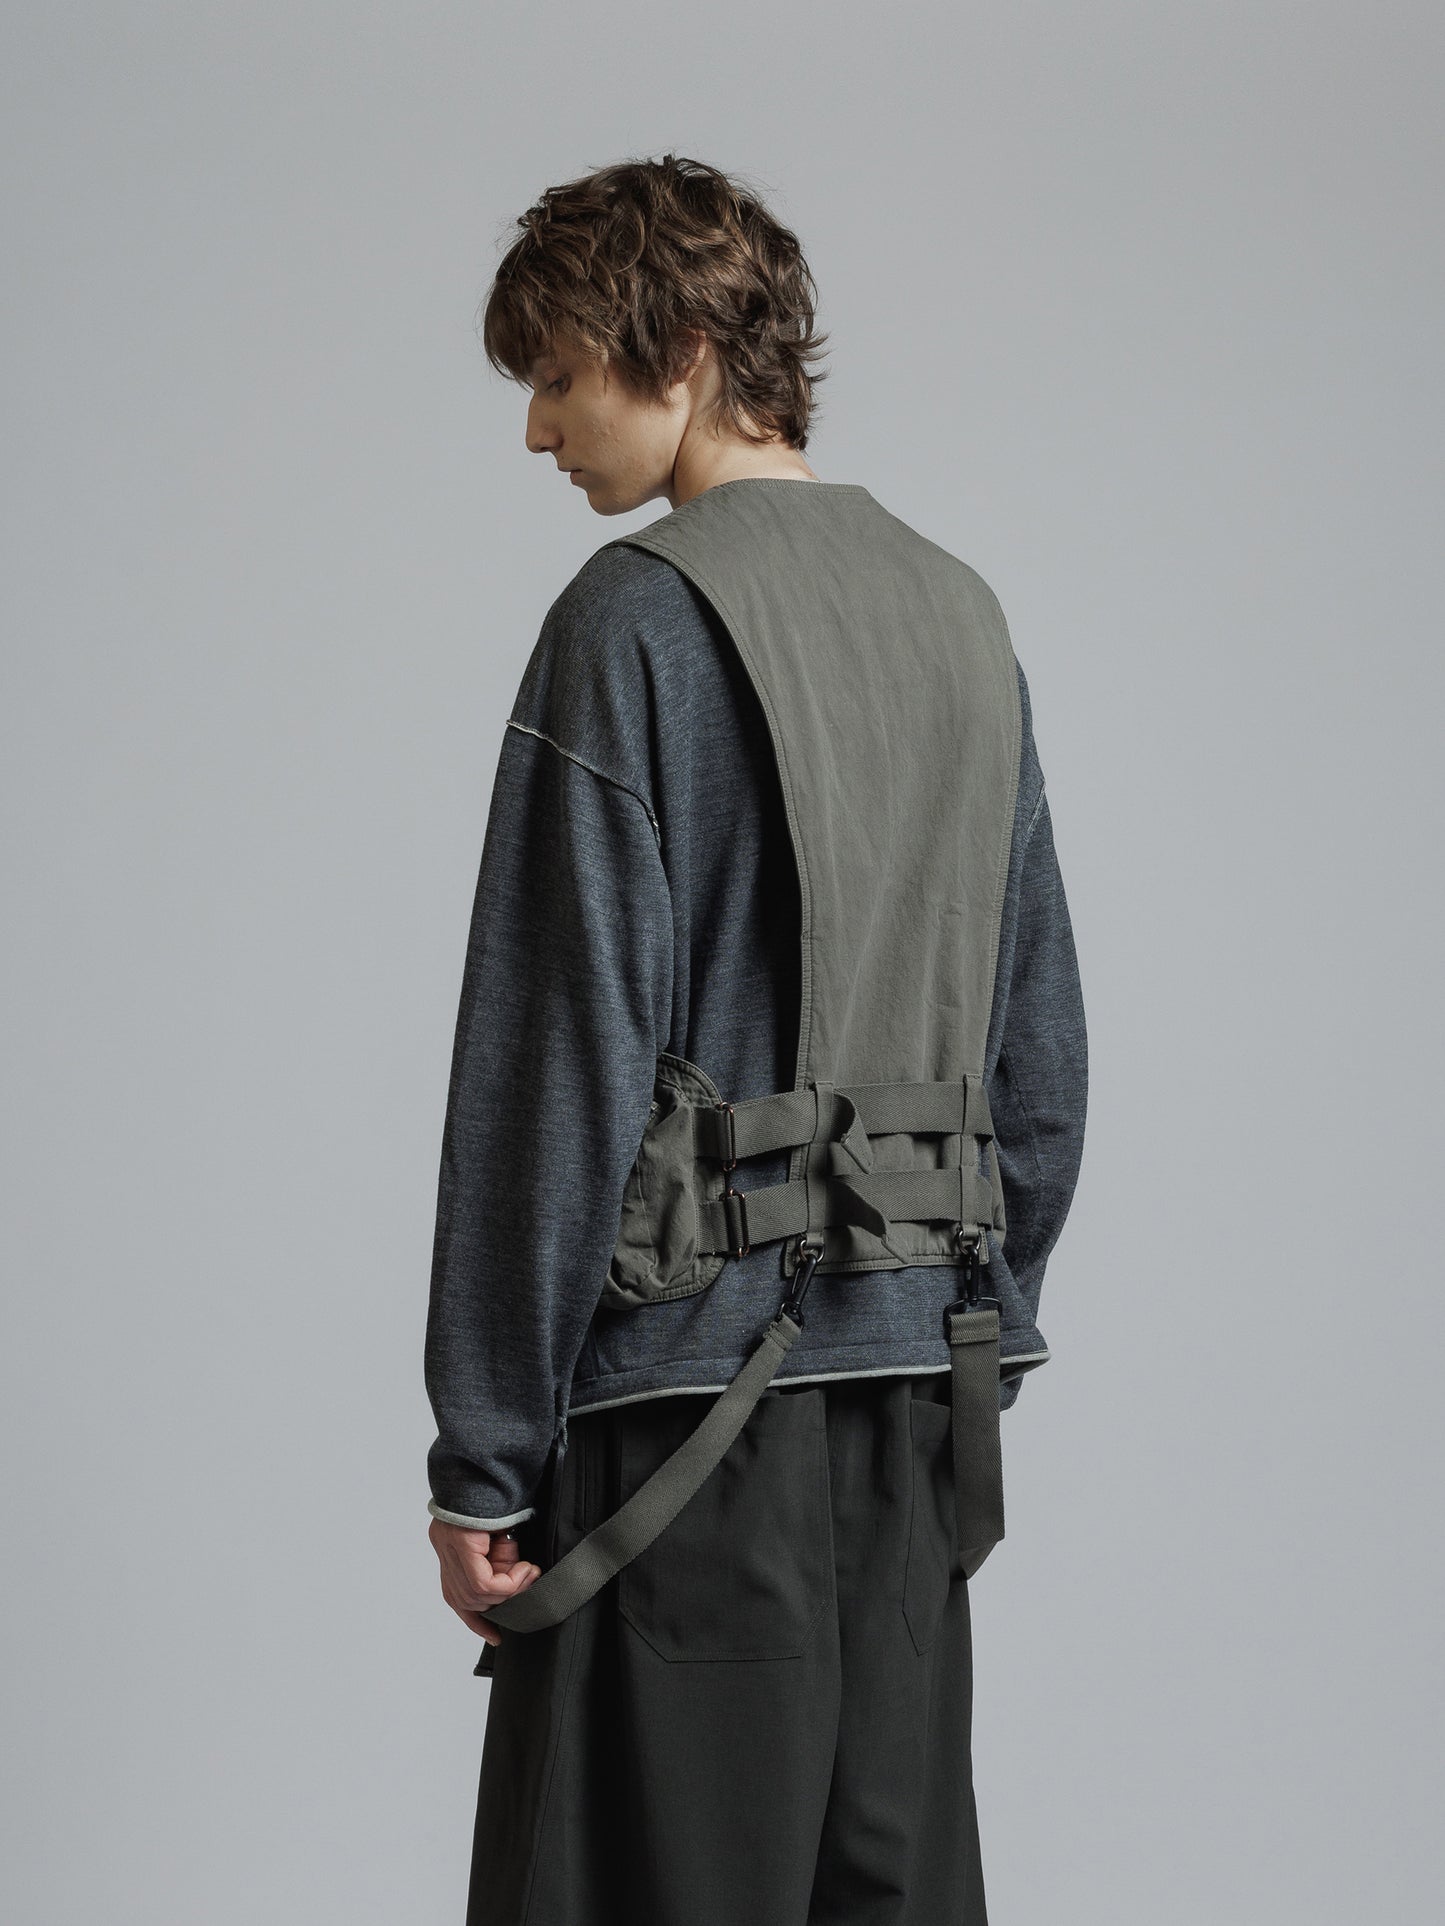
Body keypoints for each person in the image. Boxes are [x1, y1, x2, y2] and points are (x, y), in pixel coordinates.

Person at [424, 154, 1088, 1925]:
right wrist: (968, 1317)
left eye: (559, 374)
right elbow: (1037, 1052)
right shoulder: (960, 614)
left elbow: (550, 1069)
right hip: (916, 1404)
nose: (539, 428)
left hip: (682, 1425)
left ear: (688, 351)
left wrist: (483, 1451)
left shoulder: (630, 621)